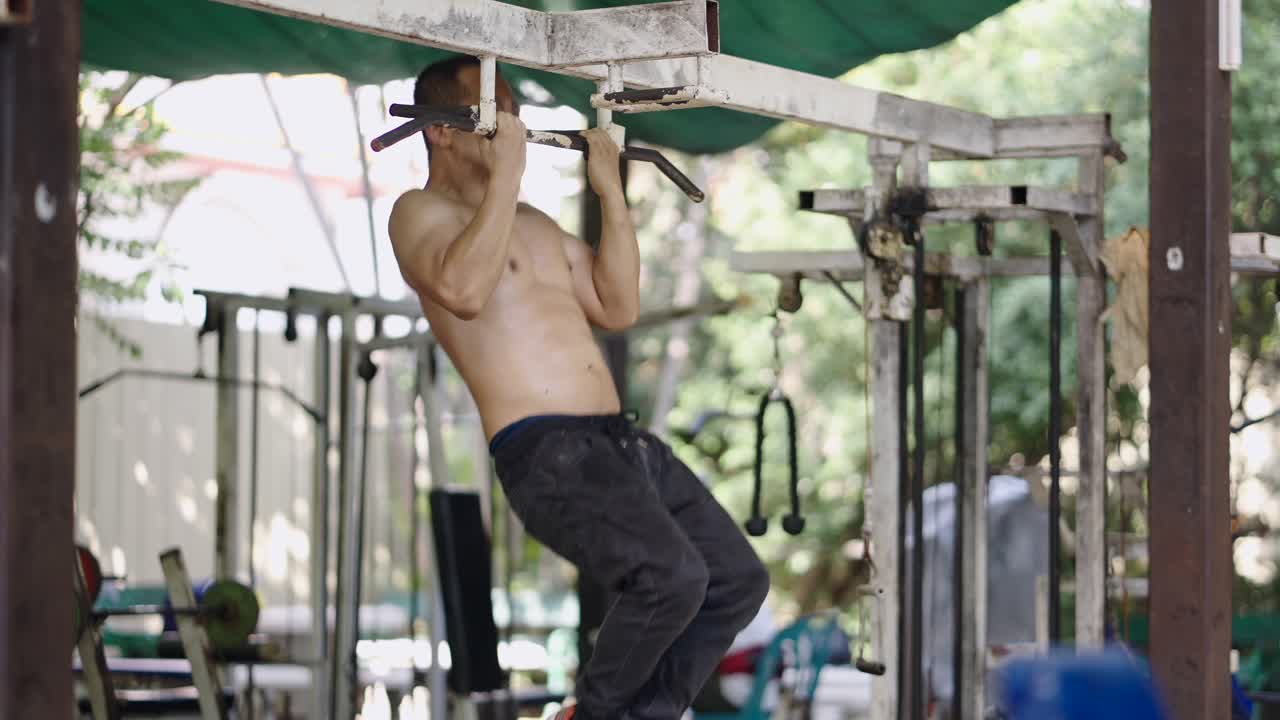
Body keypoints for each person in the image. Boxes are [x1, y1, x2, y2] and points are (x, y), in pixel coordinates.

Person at [388, 56, 771, 720]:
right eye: (493, 114)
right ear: (441, 130)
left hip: (620, 444)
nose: (511, 126)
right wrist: (509, 173)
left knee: (735, 581)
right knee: (670, 578)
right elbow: (463, 291)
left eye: (513, 113)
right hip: (548, 452)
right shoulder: (419, 213)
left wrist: (609, 192)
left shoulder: (534, 223)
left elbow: (617, 306)